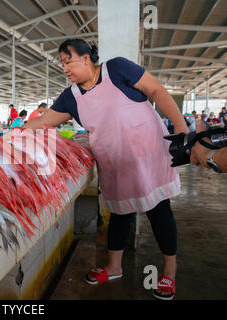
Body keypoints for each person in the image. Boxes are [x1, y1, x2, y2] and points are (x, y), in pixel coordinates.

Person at [23, 38, 189, 300]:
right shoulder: (71, 97)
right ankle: (114, 267)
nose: (65, 68)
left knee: (158, 208)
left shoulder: (117, 69)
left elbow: (156, 91)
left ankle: (170, 268)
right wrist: (17, 133)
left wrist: (181, 128)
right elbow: (45, 121)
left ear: (86, 58)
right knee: (120, 211)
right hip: (114, 159)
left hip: (147, 151)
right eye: (62, 64)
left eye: (68, 61)